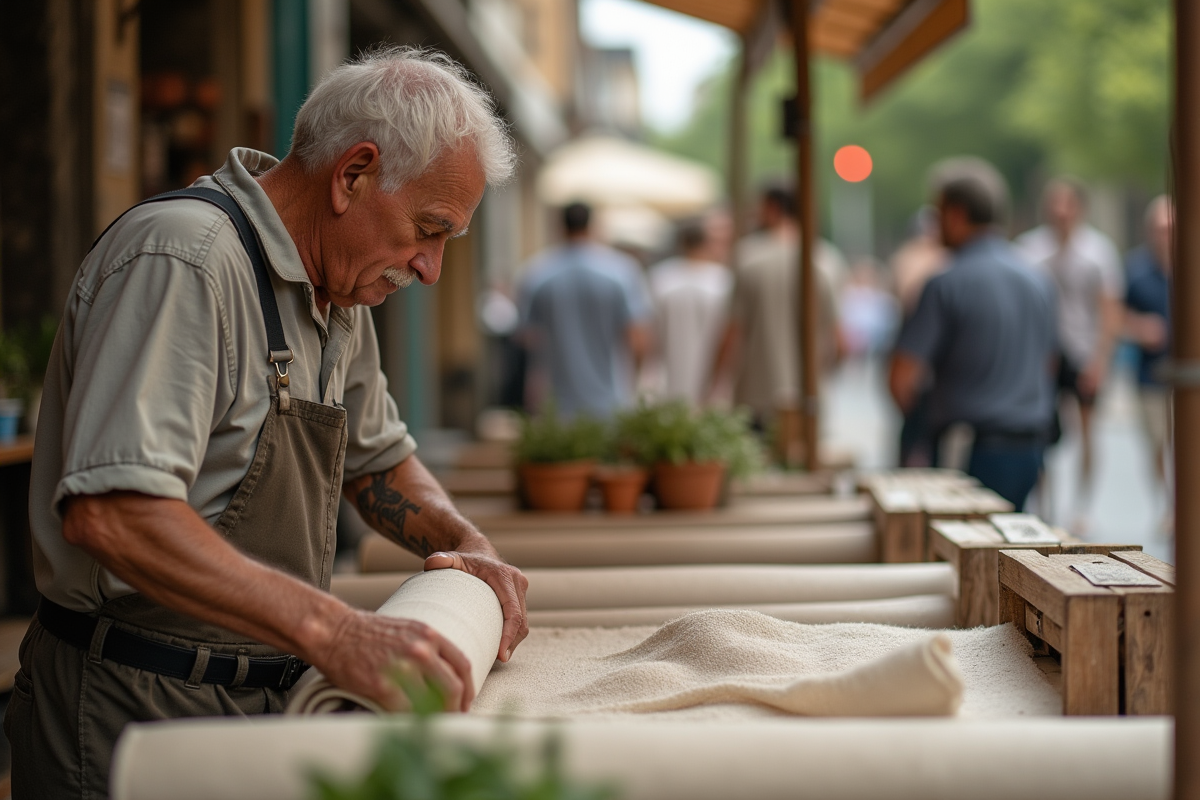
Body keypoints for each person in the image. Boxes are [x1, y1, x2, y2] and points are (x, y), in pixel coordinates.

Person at [9, 48, 531, 799]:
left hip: (261, 702)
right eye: (430, 229)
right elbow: (116, 514)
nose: (430, 269)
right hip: (132, 705)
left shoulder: (341, 293)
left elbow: (377, 463)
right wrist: (336, 632)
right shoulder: (186, 263)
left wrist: (466, 548)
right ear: (353, 175)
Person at [889, 174, 1057, 510]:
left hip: (966, 448)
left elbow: (902, 377)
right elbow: (1049, 363)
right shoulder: (1038, 280)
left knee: (963, 552)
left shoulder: (945, 283)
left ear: (956, 214)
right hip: (1029, 448)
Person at [1015, 179, 1124, 497]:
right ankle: (1046, 500)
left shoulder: (1099, 252)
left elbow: (1109, 310)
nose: (1060, 211)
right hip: (1042, 353)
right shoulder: (1029, 250)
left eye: (1067, 203)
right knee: (1040, 430)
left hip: (1083, 350)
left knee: (1088, 430)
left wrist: (1100, 359)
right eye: (1054, 203)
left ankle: (1082, 504)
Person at [711, 186, 844, 430]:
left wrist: (711, 385)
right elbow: (840, 341)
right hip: (809, 400)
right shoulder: (827, 259)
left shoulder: (748, 256)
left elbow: (732, 332)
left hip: (756, 397)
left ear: (772, 208)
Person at [518, 201, 652, 418]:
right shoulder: (622, 271)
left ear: (560, 226)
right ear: (593, 226)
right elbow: (638, 337)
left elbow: (528, 337)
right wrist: (634, 381)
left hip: (555, 404)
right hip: (612, 401)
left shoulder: (537, 273)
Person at [647, 214, 733, 403]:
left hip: (668, 372)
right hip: (713, 375)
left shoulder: (661, 277)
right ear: (706, 243)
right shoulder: (723, 280)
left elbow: (650, 329)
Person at [889, 206, 948, 467]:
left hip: (916, 362)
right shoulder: (934, 260)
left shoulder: (906, 259)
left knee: (913, 444)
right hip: (926, 365)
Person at [1125, 195, 1174, 501]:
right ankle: (1169, 501)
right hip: (1151, 374)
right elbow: (1115, 316)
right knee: (1157, 442)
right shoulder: (1134, 269)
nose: (1165, 235)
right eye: (1160, 228)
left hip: (1189, 377)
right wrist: (1139, 328)